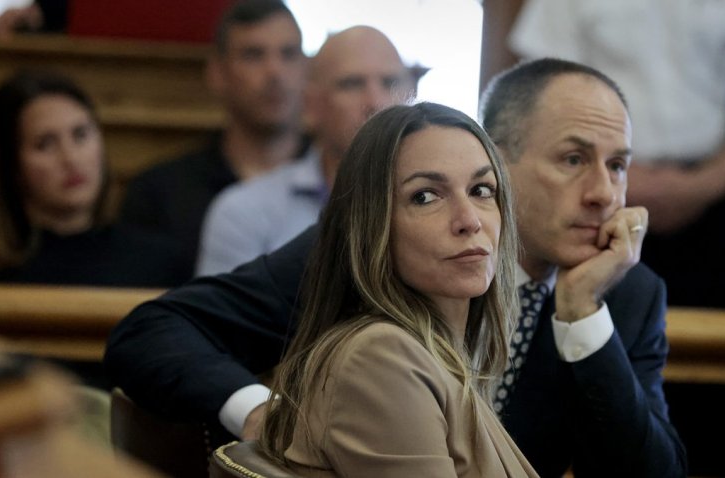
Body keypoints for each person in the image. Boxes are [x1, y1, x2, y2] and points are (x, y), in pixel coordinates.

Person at [106, 58, 686, 477]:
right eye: (574, 159)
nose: (604, 194)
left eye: (618, 165)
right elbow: (151, 332)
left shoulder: (624, 295)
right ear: (499, 157)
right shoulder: (371, 251)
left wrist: (583, 316)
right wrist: (259, 411)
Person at [255, 101, 535, 477]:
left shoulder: (437, 354)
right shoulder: (380, 358)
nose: (469, 220)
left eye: (482, 189)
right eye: (425, 196)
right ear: (373, 225)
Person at [508, 0, 725, 309]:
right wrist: (614, 178)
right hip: (597, 197)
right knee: (592, 327)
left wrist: (706, 184)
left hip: (722, 197)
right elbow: (540, 95)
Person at [196, 25, 414, 275]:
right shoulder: (244, 211)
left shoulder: (448, 204)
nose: (376, 102)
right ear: (310, 104)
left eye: (390, 82)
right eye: (351, 84)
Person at [0, 69, 189, 287]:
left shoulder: (159, 263)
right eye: (45, 144)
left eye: (81, 135)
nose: (71, 159)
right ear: (10, 164)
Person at [119, 0, 308, 267]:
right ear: (218, 73)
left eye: (289, 54)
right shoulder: (160, 193)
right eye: (254, 55)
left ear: (307, 70)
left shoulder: (342, 181)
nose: (274, 72)